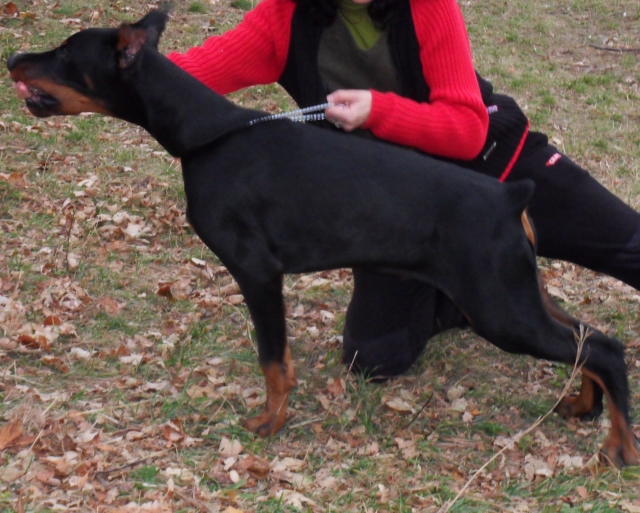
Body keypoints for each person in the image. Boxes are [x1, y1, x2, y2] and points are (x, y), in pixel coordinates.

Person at [17, 0, 638, 377]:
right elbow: (182, 77)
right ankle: (463, 293)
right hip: (403, 210)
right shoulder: (285, 17)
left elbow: (466, 127)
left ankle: (490, 278)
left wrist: (378, 110)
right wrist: (79, 83)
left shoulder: (427, 7)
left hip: (496, 166)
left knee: (628, 245)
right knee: (375, 357)